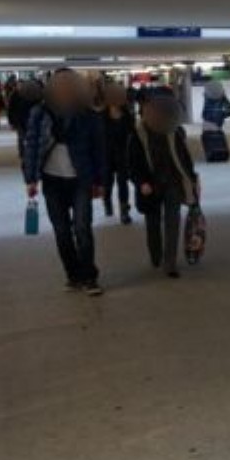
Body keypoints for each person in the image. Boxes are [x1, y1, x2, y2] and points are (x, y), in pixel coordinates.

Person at [22, 68, 107, 295]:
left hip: (81, 179)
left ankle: (89, 277)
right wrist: (30, 178)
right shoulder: (40, 113)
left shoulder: (87, 114)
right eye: (60, 85)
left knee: (82, 228)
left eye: (69, 85)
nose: (64, 89)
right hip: (52, 180)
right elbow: (31, 145)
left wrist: (100, 182)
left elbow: (99, 150)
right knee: (62, 231)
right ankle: (73, 275)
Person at [129, 91, 199, 279]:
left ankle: (170, 263)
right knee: (153, 222)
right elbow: (132, 163)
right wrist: (141, 182)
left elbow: (184, 159)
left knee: (172, 221)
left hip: (172, 182)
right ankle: (156, 254)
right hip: (150, 185)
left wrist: (192, 179)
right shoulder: (138, 134)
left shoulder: (175, 132)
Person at [100, 83, 135, 224]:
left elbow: (132, 135)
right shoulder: (101, 116)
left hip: (122, 154)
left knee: (122, 183)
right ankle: (107, 201)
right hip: (106, 154)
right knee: (107, 182)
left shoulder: (127, 115)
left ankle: (124, 211)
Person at [8, 79, 43, 157]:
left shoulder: (31, 97)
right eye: (19, 85)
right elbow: (11, 109)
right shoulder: (15, 95)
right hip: (20, 120)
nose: (20, 87)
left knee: (29, 137)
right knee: (22, 137)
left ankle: (28, 152)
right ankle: (23, 152)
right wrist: (12, 121)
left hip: (27, 120)